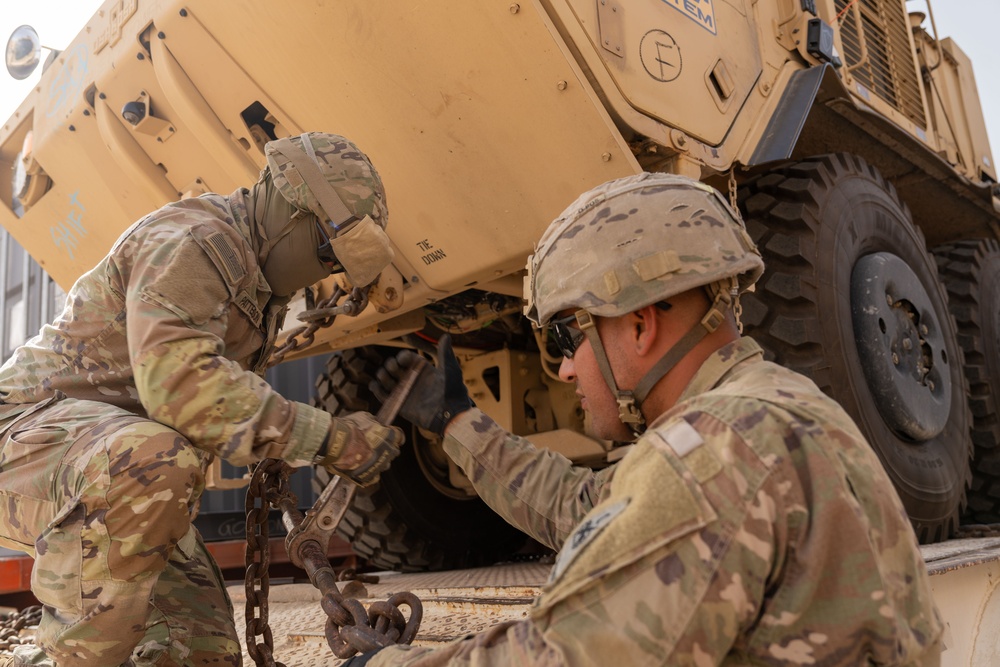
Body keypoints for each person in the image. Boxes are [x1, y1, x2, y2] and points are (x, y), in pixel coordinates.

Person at [363, 172, 943, 665]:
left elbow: (559, 655)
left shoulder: (717, 452)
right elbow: (587, 508)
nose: (564, 370)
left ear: (639, 325)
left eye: (568, 336)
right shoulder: (770, 408)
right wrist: (457, 423)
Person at [0, 132, 405, 666]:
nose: (328, 271)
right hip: (27, 443)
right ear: (293, 213)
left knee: (201, 651)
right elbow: (179, 387)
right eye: (329, 252)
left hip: (109, 471)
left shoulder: (258, 286)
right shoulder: (192, 241)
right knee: (151, 458)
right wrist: (332, 439)